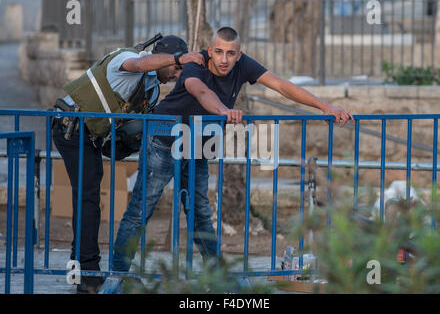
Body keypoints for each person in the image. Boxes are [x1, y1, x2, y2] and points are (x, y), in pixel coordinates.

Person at [109, 27, 353, 278]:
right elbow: (199, 90)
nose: (224, 59)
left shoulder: (243, 65)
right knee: (141, 209)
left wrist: (325, 106)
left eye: (230, 53)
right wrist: (224, 111)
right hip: (164, 139)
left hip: (197, 145)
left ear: (239, 54)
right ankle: (117, 275)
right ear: (210, 50)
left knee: (200, 213)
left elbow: (281, 85)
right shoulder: (197, 62)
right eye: (218, 52)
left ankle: (217, 276)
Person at [52, 35, 204, 293]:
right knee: (87, 199)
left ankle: (83, 270)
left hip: (90, 135)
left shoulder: (153, 88)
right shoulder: (124, 59)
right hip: (71, 127)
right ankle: (87, 275)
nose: (177, 74)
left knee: (87, 199)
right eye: (176, 68)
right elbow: (138, 64)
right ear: (162, 58)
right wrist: (179, 59)